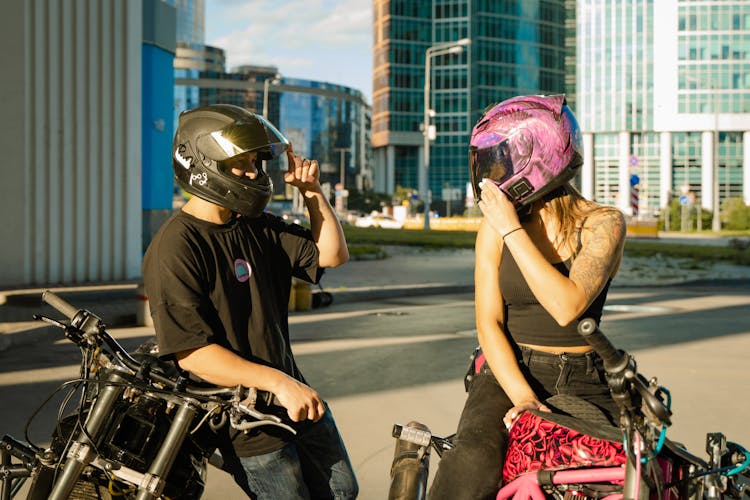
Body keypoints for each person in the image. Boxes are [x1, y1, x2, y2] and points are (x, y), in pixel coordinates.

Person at [142, 104, 358, 499]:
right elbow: (192, 353)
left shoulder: (255, 225)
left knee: (342, 491)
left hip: (295, 399)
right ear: (206, 163)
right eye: (242, 164)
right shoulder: (176, 246)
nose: (254, 174)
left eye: (257, 163)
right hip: (245, 421)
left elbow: (330, 255)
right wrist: (279, 384)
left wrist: (311, 193)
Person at [429, 94, 626, 499]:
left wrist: (510, 230)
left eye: (499, 162)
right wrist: (523, 397)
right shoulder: (493, 229)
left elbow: (567, 307)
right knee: (472, 463)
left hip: (586, 374)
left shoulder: (603, 224)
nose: (489, 177)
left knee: (619, 476)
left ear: (538, 161)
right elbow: (489, 322)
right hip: (511, 369)